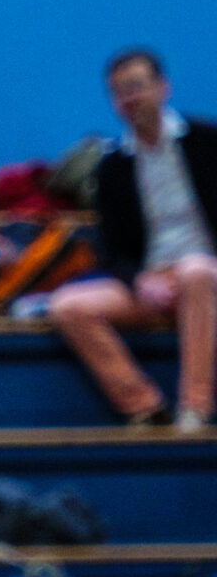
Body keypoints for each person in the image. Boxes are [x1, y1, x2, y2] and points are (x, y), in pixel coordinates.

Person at [47, 48, 217, 428]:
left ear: (163, 87)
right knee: (67, 305)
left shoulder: (208, 142)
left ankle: (195, 406)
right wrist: (139, 279)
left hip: (207, 275)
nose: (129, 98)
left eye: (136, 86)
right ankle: (145, 406)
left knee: (197, 270)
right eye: (119, 92)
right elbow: (111, 249)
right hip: (154, 281)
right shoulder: (113, 166)